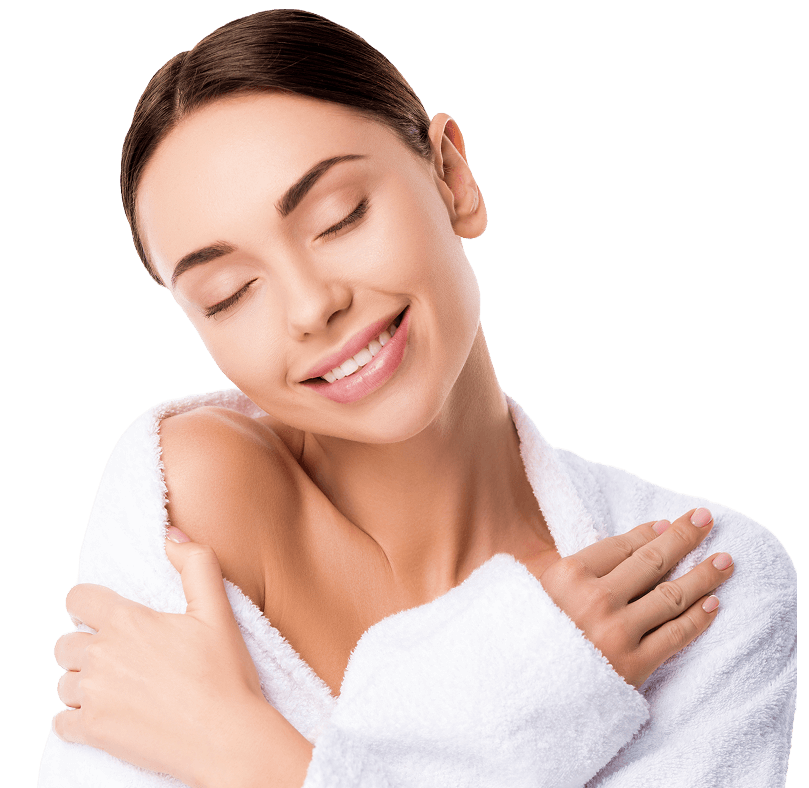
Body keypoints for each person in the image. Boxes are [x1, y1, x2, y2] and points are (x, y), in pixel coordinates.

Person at [41, 9, 796, 788]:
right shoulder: (195, 494)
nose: (311, 307)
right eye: (228, 293)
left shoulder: (695, 579)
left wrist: (251, 757)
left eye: (339, 217)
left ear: (452, 179)